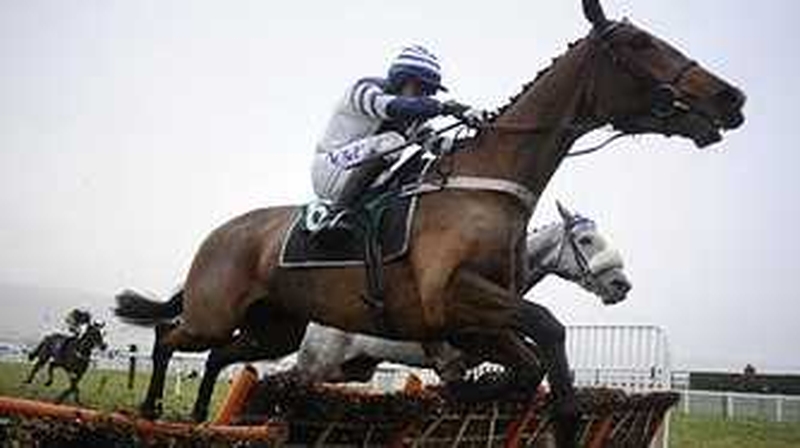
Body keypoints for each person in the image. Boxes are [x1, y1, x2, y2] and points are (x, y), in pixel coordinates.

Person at [311, 45, 484, 208]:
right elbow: (395, 107)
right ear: (401, 81)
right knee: (392, 142)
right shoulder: (364, 89)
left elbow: (435, 144)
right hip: (330, 169)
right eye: (421, 88)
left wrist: (473, 143)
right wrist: (447, 108)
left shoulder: (413, 120)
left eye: (430, 91)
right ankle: (339, 212)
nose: (424, 95)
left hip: (362, 172)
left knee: (416, 165)